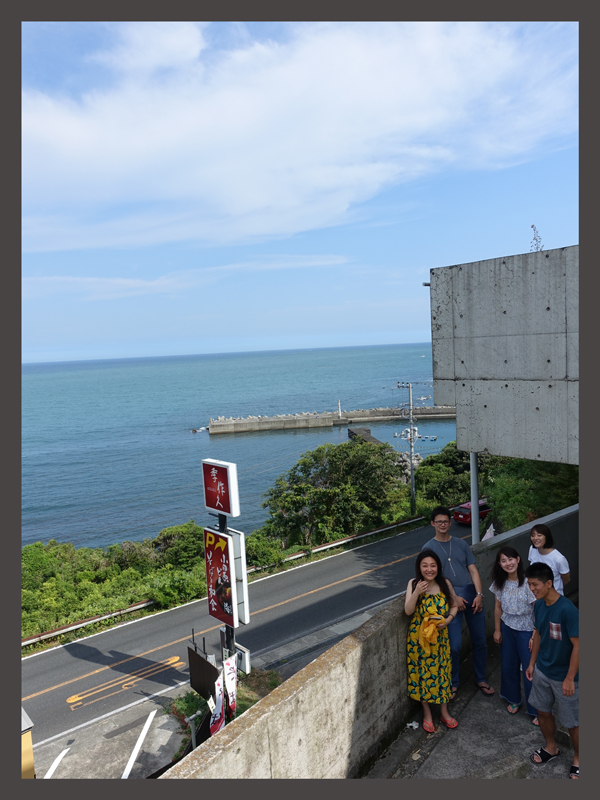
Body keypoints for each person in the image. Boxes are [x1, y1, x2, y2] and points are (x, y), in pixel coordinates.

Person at [422, 505, 494, 699]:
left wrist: (479, 594)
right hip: (449, 599)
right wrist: (453, 597)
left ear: (450, 522)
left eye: (445, 521)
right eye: (439, 522)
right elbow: (432, 577)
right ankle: (454, 682)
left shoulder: (461, 544)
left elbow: (473, 570)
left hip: (471, 594)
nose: (443, 524)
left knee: (480, 640)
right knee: (453, 645)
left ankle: (480, 678)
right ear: (432, 524)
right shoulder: (429, 548)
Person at [525, 562, 579, 779]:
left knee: (573, 722)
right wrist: (531, 663)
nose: (532, 589)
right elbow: (538, 634)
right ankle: (551, 748)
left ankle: (579, 758)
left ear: (549, 583)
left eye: (535, 584)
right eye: (529, 584)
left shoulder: (568, 609)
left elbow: (579, 645)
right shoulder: (538, 605)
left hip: (565, 677)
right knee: (543, 711)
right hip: (542, 671)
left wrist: (569, 677)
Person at [405, 549, 459, 732]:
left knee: (443, 673)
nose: (429, 569)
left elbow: (454, 605)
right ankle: (427, 713)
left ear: (438, 567)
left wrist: (448, 620)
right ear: (419, 568)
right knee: (421, 676)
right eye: (425, 565)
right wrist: (417, 593)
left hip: (440, 638)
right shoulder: (413, 584)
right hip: (418, 640)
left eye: (433, 565)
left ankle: (444, 712)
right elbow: (408, 611)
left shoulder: (445, 584)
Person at [489, 546, 538, 725]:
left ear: (518, 559)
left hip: (527, 628)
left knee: (530, 669)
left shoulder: (529, 582)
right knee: (508, 664)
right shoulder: (499, 582)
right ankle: (514, 699)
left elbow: (537, 609)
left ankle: (536, 709)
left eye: (510, 559)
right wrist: (497, 629)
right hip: (507, 626)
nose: (508, 563)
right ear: (500, 564)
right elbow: (497, 607)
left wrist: (534, 634)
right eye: (503, 561)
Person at [528, 523, 570, 596]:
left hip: (553, 596)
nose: (535, 538)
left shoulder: (559, 559)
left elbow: (566, 579)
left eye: (539, 535)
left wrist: (555, 587)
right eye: (533, 535)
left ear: (546, 537)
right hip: (537, 595)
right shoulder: (532, 549)